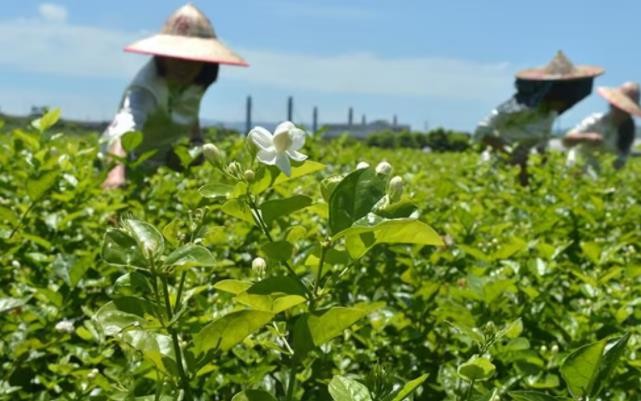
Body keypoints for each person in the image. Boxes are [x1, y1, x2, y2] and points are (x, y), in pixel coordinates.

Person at [100, 4, 248, 188]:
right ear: (163, 56)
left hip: (156, 169)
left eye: (192, 58)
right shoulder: (144, 89)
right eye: (178, 57)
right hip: (121, 165)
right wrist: (115, 175)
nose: (184, 65)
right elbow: (124, 130)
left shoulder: (195, 84)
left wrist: (196, 141)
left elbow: (190, 108)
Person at [474, 51, 604, 185]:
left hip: (525, 173)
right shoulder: (518, 107)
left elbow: (541, 144)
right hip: (496, 170)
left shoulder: (550, 113)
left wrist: (544, 167)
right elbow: (482, 130)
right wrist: (509, 152)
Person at [564, 82, 641, 175]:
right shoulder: (595, 120)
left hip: (600, 176)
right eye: (620, 107)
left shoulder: (628, 133)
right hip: (577, 167)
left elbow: (620, 161)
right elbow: (566, 140)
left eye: (626, 110)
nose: (622, 112)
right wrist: (586, 137)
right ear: (613, 105)